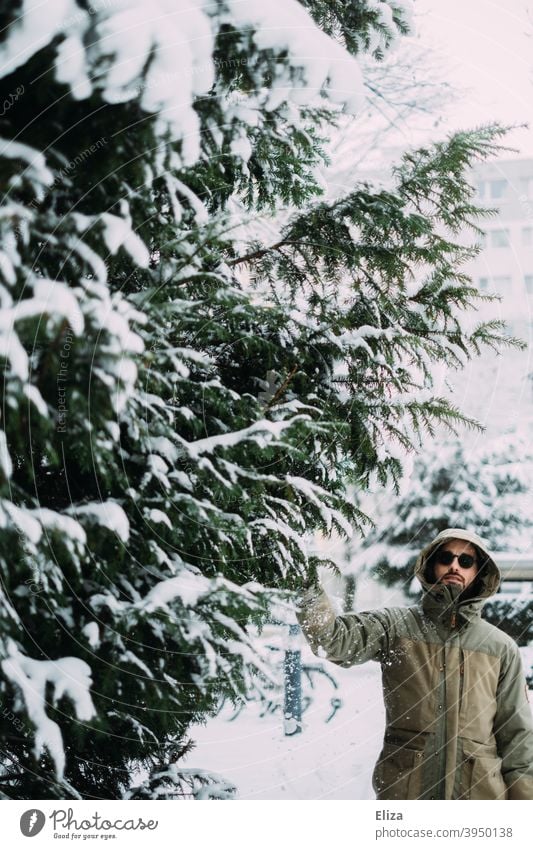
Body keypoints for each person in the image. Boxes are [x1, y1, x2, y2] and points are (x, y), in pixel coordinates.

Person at [296, 528, 533, 800]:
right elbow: (334, 639)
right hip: (407, 794)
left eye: (466, 561)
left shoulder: (500, 647)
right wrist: (307, 585)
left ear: (479, 572)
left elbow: (518, 737)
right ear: (431, 565)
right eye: (446, 557)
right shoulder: (396, 627)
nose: (455, 565)